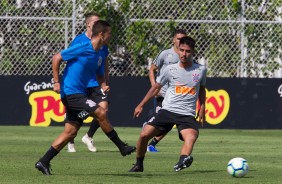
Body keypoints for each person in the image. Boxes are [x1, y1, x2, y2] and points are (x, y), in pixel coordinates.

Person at [35, 20, 136, 175]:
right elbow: (56, 58)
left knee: (70, 132)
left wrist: (103, 84)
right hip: (71, 94)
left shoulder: (99, 53)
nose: (111, 37)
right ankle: (121, 146)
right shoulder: (83, 47)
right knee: (101, 112)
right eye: (109, 34)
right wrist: (56, 82)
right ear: (101, 34)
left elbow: (99, 74)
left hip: (79, 94)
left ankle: (44, 161)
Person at [128, 36, 206, 172]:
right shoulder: (170, 69)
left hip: (186, 114)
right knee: (144, 135)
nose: (183, 54)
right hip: (167, 111)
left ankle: (183, 160)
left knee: (191, 136)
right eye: (181, 50)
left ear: (193, 52)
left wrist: (202, 107)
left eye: (187, 51)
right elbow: (155, 88)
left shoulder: (200, 70)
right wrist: (141, 104)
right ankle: (138, 164)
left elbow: (202, 89)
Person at [67, 12, 110, 153]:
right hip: (80, 85)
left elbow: (104, 63)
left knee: (103, 109)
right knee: (79, 114)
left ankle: (88, 136)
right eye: (95, 22)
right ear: (88, 24)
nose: (98, 24)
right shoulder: (79, 41)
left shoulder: (103, 42)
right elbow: (69, 61)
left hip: (95, 83)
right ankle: (70, 138)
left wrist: (104, 82)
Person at [146, 29, 187, 152]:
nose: (181, 41)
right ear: (174, 40)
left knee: (169, 123)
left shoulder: (186, 56)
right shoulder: (165, 54)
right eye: (179, 39)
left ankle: (152, 144)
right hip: (162, 93)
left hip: (176, 95)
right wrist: (154, 86)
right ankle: (147, 127)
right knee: (159, 118)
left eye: (183, 39)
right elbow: (152, 69)